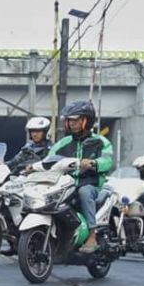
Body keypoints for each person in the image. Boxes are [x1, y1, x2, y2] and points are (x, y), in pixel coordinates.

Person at [47, 100, 114, 253]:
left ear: (86, 120)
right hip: (66, 184)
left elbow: (107, 160)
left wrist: (94, 163)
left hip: (92, 185)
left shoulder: (100, 141)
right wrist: (34, 167)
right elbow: (49, 160)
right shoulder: (63, 143)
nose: (71, 123)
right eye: (69, 120)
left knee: (84, 192)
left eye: (75, 119)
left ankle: (91, 235)